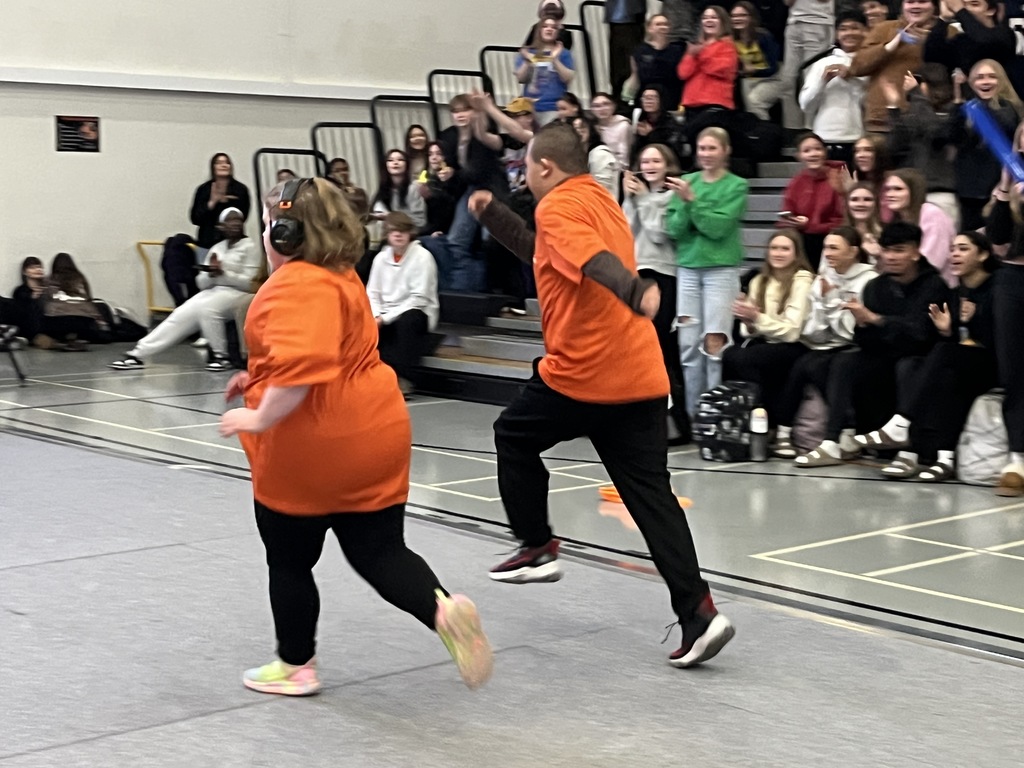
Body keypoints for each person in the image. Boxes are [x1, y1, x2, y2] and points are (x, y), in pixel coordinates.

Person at [467, 122, 735, 668]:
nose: (523, 174)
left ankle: (538, 546)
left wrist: (634, 290)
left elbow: (592, 261)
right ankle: (700, 614)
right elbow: (547, 252)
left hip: (584, 375)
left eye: (527, 166)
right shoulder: (599, 199)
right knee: (651, 499)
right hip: (639, 377)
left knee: (512, 436)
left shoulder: (560, 208)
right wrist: (492, 215)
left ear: (545, 167)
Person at [219, 177, 492, 695]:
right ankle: (442, 610)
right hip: (376, 434)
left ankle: (295, 667)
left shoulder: (296, 284)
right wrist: (255, 379)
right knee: (381, 552)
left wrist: (256, 418)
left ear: (284, 232)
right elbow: (317, 352)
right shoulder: (343, 275)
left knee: (290, 561)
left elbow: (300, 372)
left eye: (266, 225)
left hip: (311, 448)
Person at [794, 221, 947, 467]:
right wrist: (864, 324)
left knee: (907, 366)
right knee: (842, 361)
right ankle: (833, 441)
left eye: (899, 250)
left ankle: (908, 452)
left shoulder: (934, 285)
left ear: (916, 252)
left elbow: (921, 335)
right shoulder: (877, 286)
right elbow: (864, 340)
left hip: (920, 358)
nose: (891, 257)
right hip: (883, 355)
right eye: (886, 250)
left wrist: (877, 320)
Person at [859, 231, 999, 480]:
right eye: (953, 249)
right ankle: (940, 458)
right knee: (919, 368)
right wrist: (947, 331)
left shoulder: (998, 288)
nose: (955, 254)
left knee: (942, 355)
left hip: (995, 365)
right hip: (964, 363)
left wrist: (973, 322)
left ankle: (900, 424)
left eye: (963, 249)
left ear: (983, 254)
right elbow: (955, 341)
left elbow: (1000, 341)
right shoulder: (955, 293)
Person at [109, 208, 261, 371]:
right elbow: (201, 283)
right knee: (181, 314)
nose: (235, 224)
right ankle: (138, 354)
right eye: (230, 220)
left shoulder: (251, 247)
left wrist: (224, 273)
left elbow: (250, 283)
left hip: (238, 293)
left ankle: (221, 356)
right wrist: (210, 274)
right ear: (221, 226)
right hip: (213, 290)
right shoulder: (217, 248)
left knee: (208, 309)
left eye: (238, 220)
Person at [772, 227, 877, 458]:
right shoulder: (823, 279)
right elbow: (814, 332)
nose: (828, 253)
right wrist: (825, 306)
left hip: (859, 346)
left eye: (834, 248)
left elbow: (850, 332)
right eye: (826, 247)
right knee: (803, 363)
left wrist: (830, 301)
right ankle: (783, 432)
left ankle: (843, 433)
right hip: (827, 345)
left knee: (828, 365)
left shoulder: (869, 280)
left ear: (852, 252)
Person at [665, 126, 749, 414]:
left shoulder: (737, 185)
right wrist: (691, 207)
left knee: (714, 345)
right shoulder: (686, 181)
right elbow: (674, 228)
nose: (706, 154)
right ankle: (693, 415)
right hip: (688, 270)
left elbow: (718, 228)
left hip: (720, 272)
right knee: (688, 346)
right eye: (702, 148)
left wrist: (692, 202)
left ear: (725, 151)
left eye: (712, 148)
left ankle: (715, 413)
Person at [622, 143, 692, 441]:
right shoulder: (638, 196)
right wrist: (629, 199)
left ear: (667, 164)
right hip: (638, 273)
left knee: (661, 350)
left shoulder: (669, 196)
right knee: (637, 349)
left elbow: (659, 233)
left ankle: (676, 421)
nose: (649, 165)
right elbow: (625, 229)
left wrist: (643, 199)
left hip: (664, 274)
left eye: (656, 160)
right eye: (645, 160)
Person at [722, 231, 815, 426]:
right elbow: (749, 332)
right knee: (731, 355)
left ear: (796, 254)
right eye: (774, 248)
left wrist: (756, 318)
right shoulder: (759, 281)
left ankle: (769, 420)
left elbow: (792, 332)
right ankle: (745, 418)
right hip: (768, 342)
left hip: (797, 345)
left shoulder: (803, 281)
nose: (778, 253)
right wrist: (748, 321)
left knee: (749, 359)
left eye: (785, 249)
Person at [977, 172, 1024, 496]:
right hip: (1013, 278)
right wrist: (1007, 191)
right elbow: (997, 236)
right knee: (1014, 373)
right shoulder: (1015, 181)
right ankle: (1017, 458)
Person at [367, 212, 440, 394]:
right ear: (387, 234)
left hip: (416, 311)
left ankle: (405, 378)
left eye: (403, 231)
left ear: (410, 233)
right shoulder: (380, 259)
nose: (398, 235)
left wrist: (385, 318)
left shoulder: (423, 257)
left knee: (407, 321)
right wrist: (376, 315)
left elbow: (419, 298)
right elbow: (372, 293)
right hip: (385, 312)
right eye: (393, 231)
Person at [949, 59, 1023, 230]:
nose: (986, 81)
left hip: (1001, 188)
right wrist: (958, 101)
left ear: (1001, 80)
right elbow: (952, 135)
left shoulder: (1010, 108)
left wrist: (970, 99)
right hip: (969, 190)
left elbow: (1003, 124)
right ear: (973, 83)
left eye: (992, 76)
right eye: (979, 77)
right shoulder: (968, 108)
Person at [848, 0, 939, 133]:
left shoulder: (946, 31)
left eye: (922, 1)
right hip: (882, 121)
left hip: (931, 122)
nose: (915, 6)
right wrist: (891, 45)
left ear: (934, 6)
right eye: (910, 2)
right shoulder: (884, 29)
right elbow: (857, 67)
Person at [883, 64, 957, 226]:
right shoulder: (915, 115)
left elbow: (933, 130)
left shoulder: (953, 113)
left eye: (916, 82)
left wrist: (916, 95)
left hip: (939, 194)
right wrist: (894, 108)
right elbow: (894, 148)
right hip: (913, 196)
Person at [798, 12, 870, 162]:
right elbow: (806, 106)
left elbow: (870, 103)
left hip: (860, 139)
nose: (849, 33)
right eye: (843, 29)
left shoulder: (872, 63)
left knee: (856, 185)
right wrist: (822, 81)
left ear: (866, 31)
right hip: (824, 138)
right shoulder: (822, 64)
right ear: (837, 34)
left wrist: (851, 78)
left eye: (855, 28)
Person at [779, 133, 847, 270]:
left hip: (834, 236)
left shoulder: (840, 175)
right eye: (807, 151)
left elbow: (844, 219)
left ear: (825, 152)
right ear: (799, 156)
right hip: (805, 238)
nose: (813, 154)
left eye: (818, 149)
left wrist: (810, 225)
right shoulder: (796, 182)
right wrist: (795, 221)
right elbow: (786, 216)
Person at [881, 168, 956, 285]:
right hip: (904, 286)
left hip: (935, 287)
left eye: (898, 189)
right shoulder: (896, 220)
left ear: (914, 191)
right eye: (888, 189)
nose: (890, 194)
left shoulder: (932, 214)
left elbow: (932, 262)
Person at [677, 6, 740, 132]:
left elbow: (719, 68)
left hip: (715, 105)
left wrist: (700, 54)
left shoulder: (728, 46)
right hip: (691, 105)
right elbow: (682, 73)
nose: (708, 20)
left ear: (722, 22)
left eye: (713, 17)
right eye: (705, 18)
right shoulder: (696, 47)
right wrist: (691, 55)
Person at [779, 0, 836, 131]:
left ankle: (811, 131)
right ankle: (792, 130)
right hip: (793, 23)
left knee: (812, 80)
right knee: (788, 81)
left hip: (819, 22)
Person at [924, 0, 1015, 81]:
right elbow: (932, 56)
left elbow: (984, 40)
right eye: (964, 5)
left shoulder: (1003, 34)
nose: (966, 10)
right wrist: (943, 19)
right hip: (965, 97)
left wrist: (960, 10)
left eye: (974, 4)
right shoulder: (962, 39)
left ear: (991, 10)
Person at [515, 18, 576, 125]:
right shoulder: (527, 52)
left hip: (554, 107)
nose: (549, 29)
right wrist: (527, 61)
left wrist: (554, 60)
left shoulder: (564, 53)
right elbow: (521, 78)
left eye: (553, 27)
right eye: (545, 26)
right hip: (529, 107)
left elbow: (567, 78)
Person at [732, 2, 784, 121]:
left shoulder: (763, 36)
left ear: (751, 18)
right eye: (734, 16)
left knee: (754, 101)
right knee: (745, 102)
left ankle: (762, 132)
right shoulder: (732, 40)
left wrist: (753, 70)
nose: (737, 19)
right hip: (748, 79)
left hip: (773, 78)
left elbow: (773, 68)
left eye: (742, 15)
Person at [189, 153, 252, 252]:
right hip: (207, 243)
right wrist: (212, 202)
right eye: (219, 163)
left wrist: (227, 203)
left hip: (234, 243)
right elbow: (195, 219)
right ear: (213, 167)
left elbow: (244, 216)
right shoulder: (204, 189)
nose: (224, 165)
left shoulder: (240, 189)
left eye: (227, 163)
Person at [622, 13, 685, 109]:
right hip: (647, 100)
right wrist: (626, 98)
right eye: (658, 24)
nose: (663, 27)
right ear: (649, 28)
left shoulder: (678, 50)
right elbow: (634, 76)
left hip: (672, 100)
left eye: (665, 24)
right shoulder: (639, 51)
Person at [371, 149, 427, 229]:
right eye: (390, 160)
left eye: (400, 159)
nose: (395, 163)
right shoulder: (383, 191)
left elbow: (420, 220)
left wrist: (391, 216)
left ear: (406, 165)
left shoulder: (413, 188)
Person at [571, 114, 620, 197]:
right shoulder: (577, 156)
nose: (578, 131)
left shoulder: (600, 154)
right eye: (575, 128)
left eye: (582, 127)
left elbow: (603, 189)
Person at [590, 92, 634, 170]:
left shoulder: (623, 125)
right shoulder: (591, 127)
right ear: (592, 110)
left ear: (613, 106)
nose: (602, 109)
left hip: (619, 169)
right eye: (597, 106)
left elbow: (624, 155)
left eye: (606, 104)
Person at [844, 182, 884, 262]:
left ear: (876, 204)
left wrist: (879, 255)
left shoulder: (887, 233)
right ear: (847, 204)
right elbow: (825, 269)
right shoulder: (838, 234)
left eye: (867, 199)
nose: (861, 204)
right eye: (854, 199)